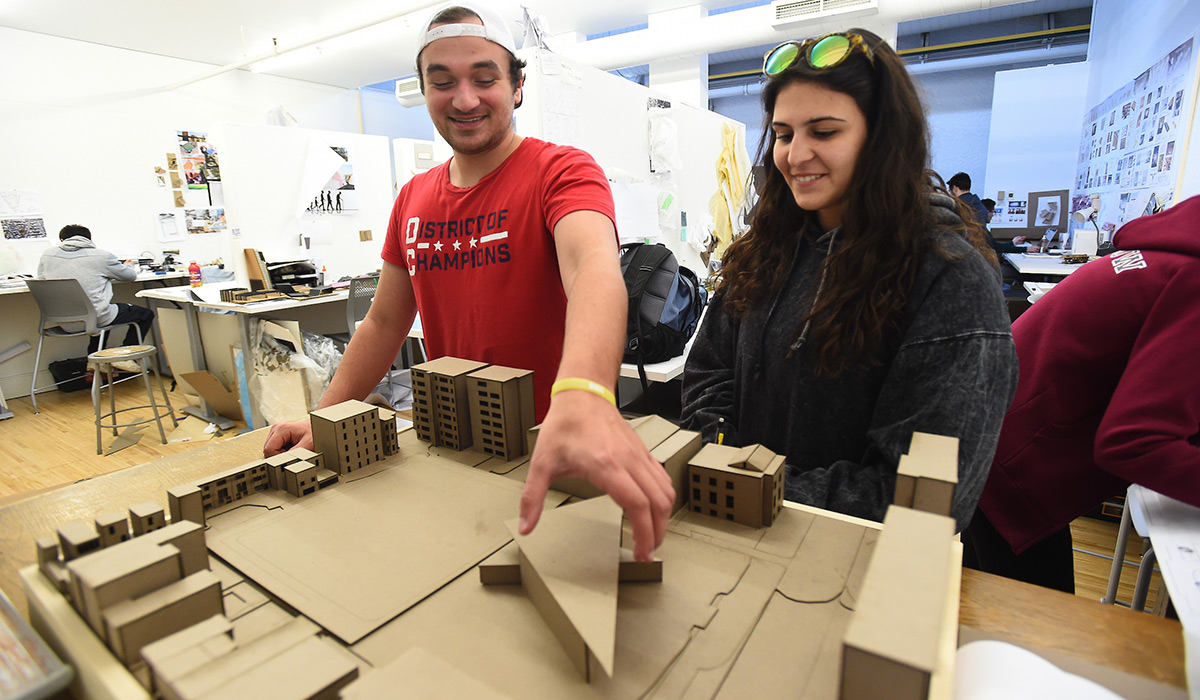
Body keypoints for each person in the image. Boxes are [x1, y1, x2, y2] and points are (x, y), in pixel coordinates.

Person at [262, 3, 673, 561]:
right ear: (424, 90)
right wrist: (325, 419)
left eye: (485, 78)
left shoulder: (561, 171)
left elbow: (593, 272)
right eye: (443, 82)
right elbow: (384, 322)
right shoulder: (412, 198)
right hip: (452, 445)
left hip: (555, 448)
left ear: (517, 86)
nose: (465, 99)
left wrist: (586, 395)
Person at [680, 30, 1018, 532]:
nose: (795, 156)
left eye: (824, 132)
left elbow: (919, 499)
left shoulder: (950, 282)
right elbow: (707, 373)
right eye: (784, 133)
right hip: (737, 530)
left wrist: (754, 486)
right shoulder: (764, 250)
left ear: (882, 137)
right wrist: (728, 463)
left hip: (853, 566)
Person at [964, 196, 1200, 593]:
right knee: (1031, 629)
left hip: (991, 432)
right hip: (1010, 457)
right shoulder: (1191, 280)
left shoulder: (1168, 257)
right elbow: (1134, 441)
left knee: (983, 608)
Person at [37, 224, 155, 359]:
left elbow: (42, 280)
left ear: (62, 240)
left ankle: (95, 361)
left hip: (64, 323)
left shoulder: (47, 255)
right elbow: (129, 276)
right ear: (88, 239)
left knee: (98, 312)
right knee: (144, 314)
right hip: (96, 319)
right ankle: (126, 358)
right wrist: (128, 265)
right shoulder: (101, 256)